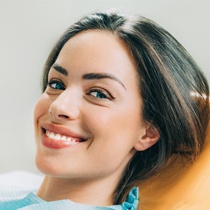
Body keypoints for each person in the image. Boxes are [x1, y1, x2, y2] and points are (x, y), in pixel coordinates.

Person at [0, 10, 209, 210]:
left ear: (149, 131)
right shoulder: (15, 182)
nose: (58, 106)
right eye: (56, 84)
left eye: (99, 94)